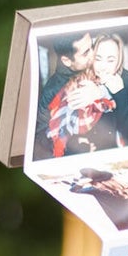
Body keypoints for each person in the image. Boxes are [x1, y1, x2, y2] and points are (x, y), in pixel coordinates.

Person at [46, 33, 128, 156]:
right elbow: (63, 129)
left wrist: (116, 94)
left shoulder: (121, 89)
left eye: (110, 60)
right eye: (98, 58)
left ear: (118, 62)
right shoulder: (78, 84)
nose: (103, 66)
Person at [33, 31, 94, 160]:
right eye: (85, 53)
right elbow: (42, 134)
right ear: (66, 61)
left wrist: (99, 91)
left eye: (92, 47)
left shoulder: (95, 65)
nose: (93, 55)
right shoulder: (52, 92)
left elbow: (127, 80)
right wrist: (71, 143)